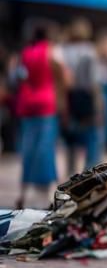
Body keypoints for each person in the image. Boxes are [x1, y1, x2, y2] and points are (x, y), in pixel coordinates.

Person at [13, 22, 67, 208]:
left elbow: (19, 76)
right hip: (46, 105)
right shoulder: (52, 51)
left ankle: (23, 193)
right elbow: (63, 76)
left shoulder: (26, 52)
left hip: (28, 105)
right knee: (45, 149)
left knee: (28, 149)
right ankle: (48, 196)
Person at [61, 18, 104, 173]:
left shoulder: (63, 50)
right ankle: (90, 172)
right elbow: (94, 82)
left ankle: (70, 172)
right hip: (86, 98)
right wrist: (99, 106)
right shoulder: (89, 51)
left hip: (69, 98)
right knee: (93, 137)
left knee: (71, 138)